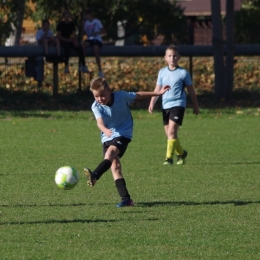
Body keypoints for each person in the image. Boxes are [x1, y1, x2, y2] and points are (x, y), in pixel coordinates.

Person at [84, 77, 170, 207]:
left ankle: (95, 174)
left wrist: (157, 93)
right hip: (107, 136)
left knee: (110, 153)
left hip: (123, 133)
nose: (99, 99)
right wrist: (105, 130)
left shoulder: (121, 97)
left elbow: (138, 95)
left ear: (109, 91)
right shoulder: (95, 106)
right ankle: (126, 199)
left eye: (102, 95)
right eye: (96, 96)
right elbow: (99, 122)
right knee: (115, 167)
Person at [148, 45, 199, 165]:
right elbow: (158, 89)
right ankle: (181, 154)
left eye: (175, 55)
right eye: (170, 56)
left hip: (178, 104)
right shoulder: (162, 72)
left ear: (179, 57)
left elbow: (191, 91)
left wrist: (195, 105)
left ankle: (168, 159)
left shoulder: (183, 73)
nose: (172, 58)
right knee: (170, 134)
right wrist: (152, 102)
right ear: (165, 58)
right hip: (165, 106)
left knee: (171, 131)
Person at [82, 9, 106, 77]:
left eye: (86, 15)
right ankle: (83, 65)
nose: (85, 17)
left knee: (95, 50)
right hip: (90, 39)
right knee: (82, 45)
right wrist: (83, 25)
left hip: (97, 39)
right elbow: (84, 33)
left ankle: (100, 70)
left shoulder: (97, 21)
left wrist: (97, 32)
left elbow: (104, 31)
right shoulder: (86, 23)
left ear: (89, 14)